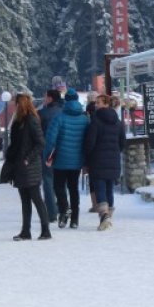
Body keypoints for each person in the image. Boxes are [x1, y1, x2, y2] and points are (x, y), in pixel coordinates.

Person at [4, 93, 51, 241]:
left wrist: (28, 159)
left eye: (16, 104)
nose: (15, 106)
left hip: (29, 165)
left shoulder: (31, 120)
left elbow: (40, 143)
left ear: (21, 104)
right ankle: (26, 231)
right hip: (20, 165)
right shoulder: (19, 121)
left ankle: (45, 230)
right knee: (25, 200)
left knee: (36, 198)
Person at [43, 87, 89, 229]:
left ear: (65, 100)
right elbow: (88, 140)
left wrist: (47, 155)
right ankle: (74, 219)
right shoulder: (85, 119)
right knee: (73, 188)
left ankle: (64, 209)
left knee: (58, 187)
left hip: (61, 160)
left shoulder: (59, 117)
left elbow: (50, 139)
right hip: (77, 160)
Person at [84, 94, 125, 230]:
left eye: (98, 102)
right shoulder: (118, 122)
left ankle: (104, 215)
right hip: (113, 160)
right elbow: (122, 143)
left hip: (98, 160)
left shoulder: (95, 121)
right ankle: (108, 215)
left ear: (106, 104)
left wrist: (87, 156)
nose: (96, 105)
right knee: (109, 189)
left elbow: (90, 142)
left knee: (100, 188)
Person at [38, 89, 62, 222]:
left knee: (47, 180)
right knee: (62, 181)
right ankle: (63, 207)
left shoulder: (42, 114)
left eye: (45, 97)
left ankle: (51, 212)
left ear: (50, 98)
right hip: (62, 150)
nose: (43, 99)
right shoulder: (63, 112)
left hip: (47, 151)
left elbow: (37, 133)